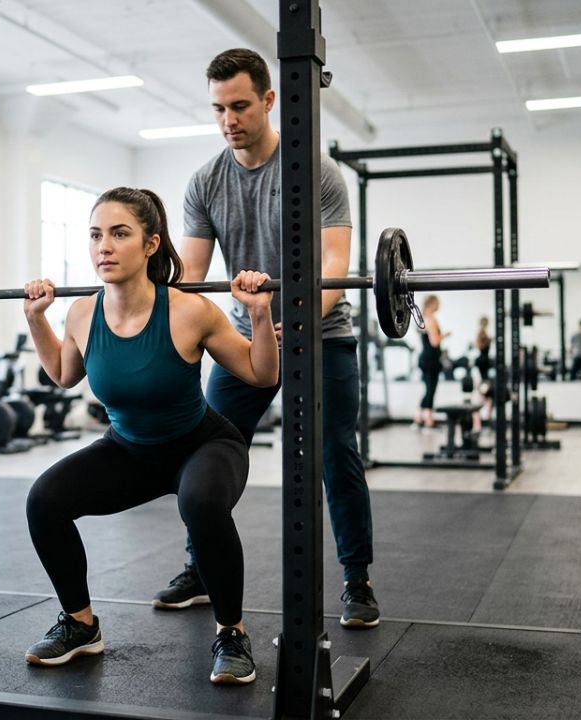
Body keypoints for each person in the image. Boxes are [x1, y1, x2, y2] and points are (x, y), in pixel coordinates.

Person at [153, 47, 380, 629]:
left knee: (336, 455)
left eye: (240, 105)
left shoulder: (318, 172)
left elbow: (334, 264)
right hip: (243, 339)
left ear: (270, 101)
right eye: (218, 108)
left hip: (323, 333)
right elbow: (193, 278)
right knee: (206, 449)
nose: (228, 118)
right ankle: (200, 569)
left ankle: (357, 579)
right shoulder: (205, 181)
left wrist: (298, 322)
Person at [21, 186, 277, 685]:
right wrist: (35, 319)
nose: (104, 247)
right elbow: (62, 374)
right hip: (129, 451)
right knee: (44, 501)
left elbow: (261, 374)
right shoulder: (81, 313)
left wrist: (261, 314)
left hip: (202, 446)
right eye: (96, 235)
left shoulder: (188, 311)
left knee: (201, 503)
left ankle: (231, 633)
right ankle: (80, 625)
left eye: (120, 234)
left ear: (151, 244)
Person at [414, 295, 446, 429]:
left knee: (428, 389)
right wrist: (445, 335)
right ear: (432, 304)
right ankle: (428, 420)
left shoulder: (423, 319)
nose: (439, 305)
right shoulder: (431, 320)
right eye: (438, 303)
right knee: (431, 389)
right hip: (430, 360)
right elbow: (435, 342)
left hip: (426, 359)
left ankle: (419, 418)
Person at [475, 316, 492, 380]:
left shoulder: (483, 332)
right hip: (483, 358)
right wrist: (488, 341)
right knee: (484, 378)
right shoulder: (481, 333)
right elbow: (479, 345)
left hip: (485, 358)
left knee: (485, 378)